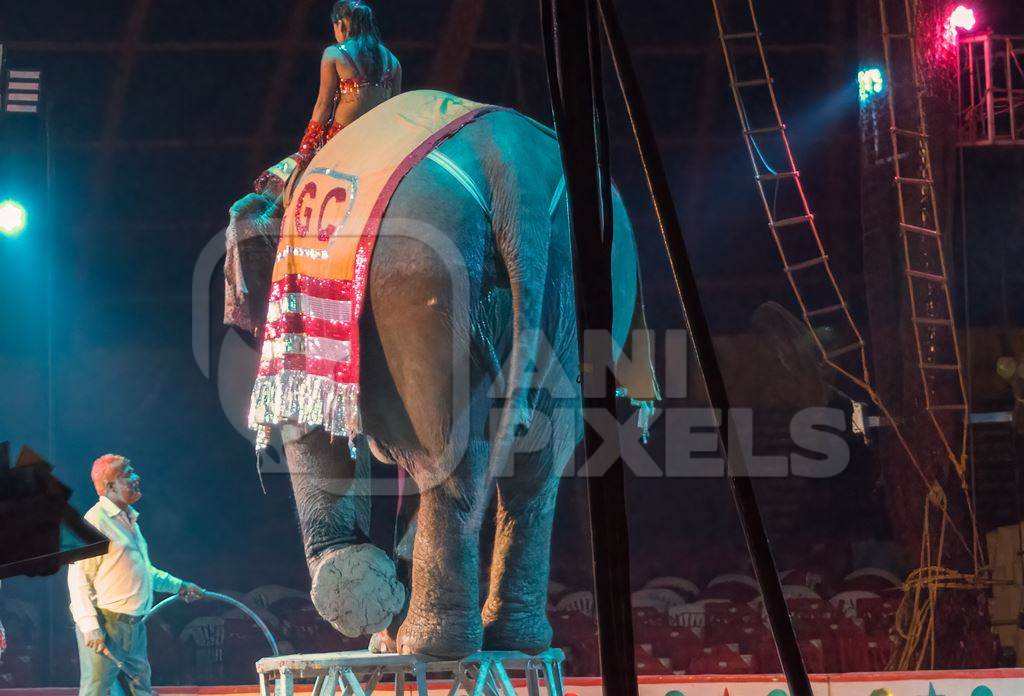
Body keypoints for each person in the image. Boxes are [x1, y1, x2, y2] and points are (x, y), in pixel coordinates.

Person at [67, 454, 204, 696]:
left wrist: (179, 585)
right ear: (110, 486)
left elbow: (142, 572)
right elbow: (78, 580)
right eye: (128, 474)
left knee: (140, 690)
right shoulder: (96, 521)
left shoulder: (129, 520)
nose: (136, 477)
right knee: (96, 690)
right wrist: (90, 626)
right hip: (107, 624)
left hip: (134, 627)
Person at [254, 0, 402, 196]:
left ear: (341, 24)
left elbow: (323, 106)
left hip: (341, 139)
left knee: (277, 184)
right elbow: (395, 108)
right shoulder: (393, 61)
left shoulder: (334, 54)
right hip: (377, 141)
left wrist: (305, 149)